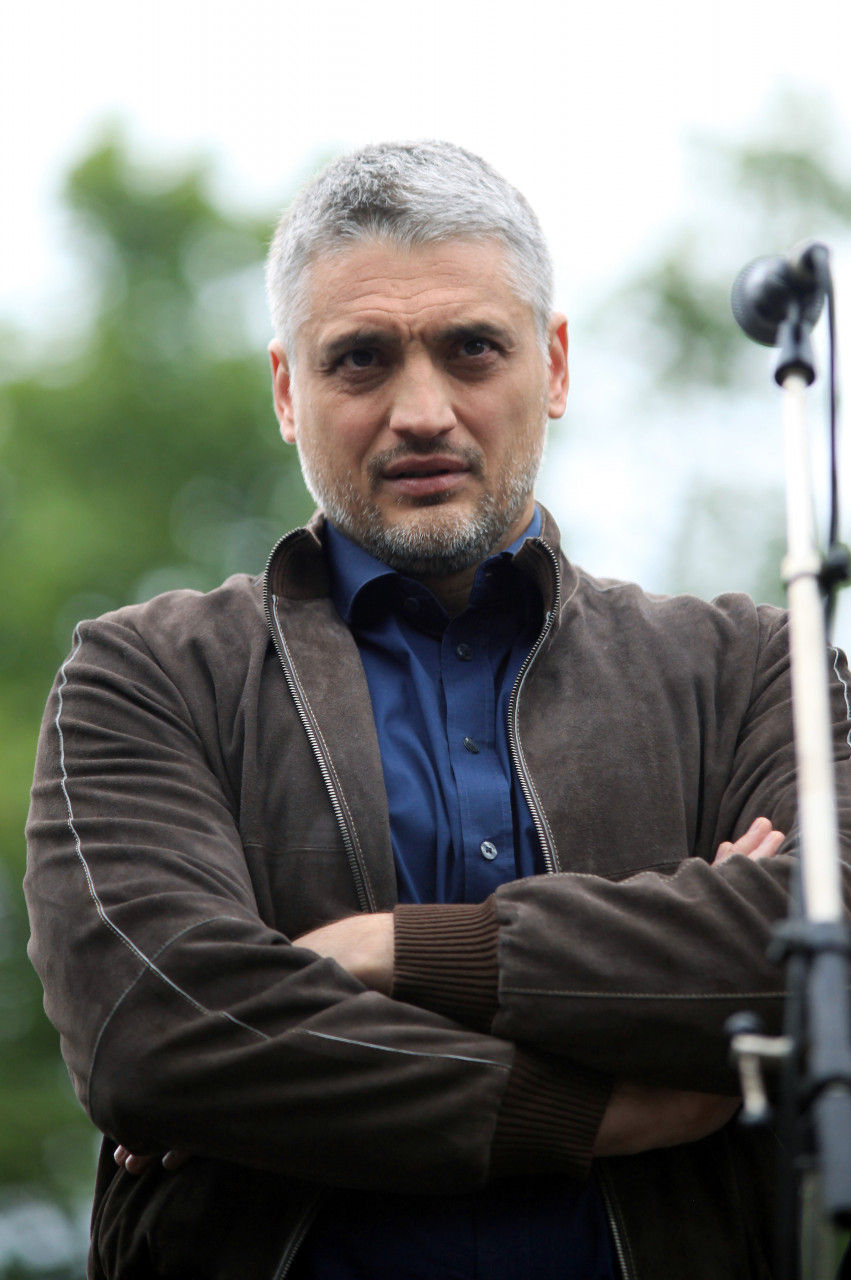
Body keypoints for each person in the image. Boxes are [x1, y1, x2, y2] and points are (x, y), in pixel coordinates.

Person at [24, 140, 851, 1280]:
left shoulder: (745, 667)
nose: (421, 412)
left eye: (471, 349)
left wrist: (393, 952)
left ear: (553, 366)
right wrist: (588, 1107)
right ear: (287, 392)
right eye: (360, 359)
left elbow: (825, 952)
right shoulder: (148, 677)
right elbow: (154, 1029)